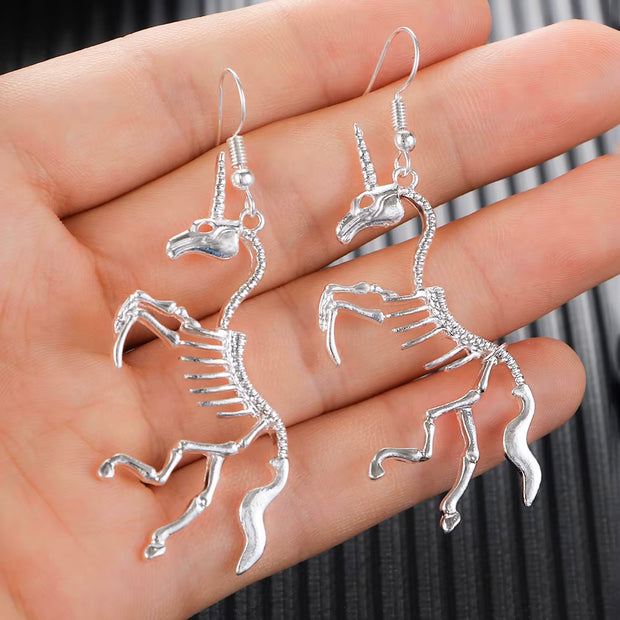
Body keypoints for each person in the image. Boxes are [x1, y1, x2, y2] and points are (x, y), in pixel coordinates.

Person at [0, 0, 618, 617]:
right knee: (208, 461)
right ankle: (172, 517)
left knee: (388, 412)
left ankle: (438, 487)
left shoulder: (397, 257)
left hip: (282, 394)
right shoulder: (240, 282)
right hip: (243, 403)